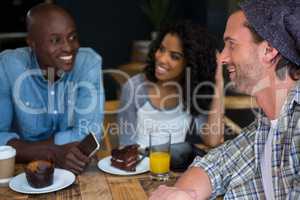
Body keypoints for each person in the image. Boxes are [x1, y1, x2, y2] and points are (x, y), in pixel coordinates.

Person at [150, 0, 300, 199]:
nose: (221, 58)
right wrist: (185, 193)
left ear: (269, 50)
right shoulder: (265, 127)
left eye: (232, 44)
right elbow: (215, 165)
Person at [0, 3, 104, 175]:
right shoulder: (8, 67)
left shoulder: (88, 62)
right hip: (20, 176)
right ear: (31, 44)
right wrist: (53, 152)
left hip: (74, 172)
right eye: (55, 40)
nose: (69, 47)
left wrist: (24, 147)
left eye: (72, 37)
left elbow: (89, 136)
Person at [117, 21, 224, 169]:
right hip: (139, 170)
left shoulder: (194, 91)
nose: (161, 59)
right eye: (161, 49)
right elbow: (126, 146)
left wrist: (218, 80)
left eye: (174, 56)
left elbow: (212, 140)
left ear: (191, 63)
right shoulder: (134, 88)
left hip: (174, 172)